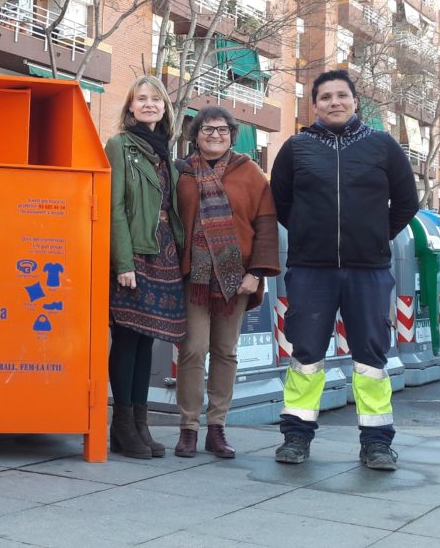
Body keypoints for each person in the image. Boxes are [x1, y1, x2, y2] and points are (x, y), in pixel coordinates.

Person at [270, 69, 418, 470]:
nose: (334, 102)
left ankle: (377, 443)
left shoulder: (382, 146)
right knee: (306, 354)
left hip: (368, 270)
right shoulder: (297, 147)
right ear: (314, 104)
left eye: (341, 95)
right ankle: (296, 438)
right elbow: (280, 203)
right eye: (325, 97)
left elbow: (407, 202)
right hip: (310, 270)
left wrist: (373, 236)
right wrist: (306, 234)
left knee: (371, 357)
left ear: (355, 101)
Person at [174, 106, 280, 458]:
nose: (214, 134)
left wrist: (257, 273)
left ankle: (217, 427)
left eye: (221, 129)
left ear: (232, 134)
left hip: (237, 279)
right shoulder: (182, 174)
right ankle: (188, 427)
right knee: (192, 350)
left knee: (225, 352)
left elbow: (265, 225)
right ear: (196, 134)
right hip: (193, 279)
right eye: (207, 129)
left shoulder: (249, 173)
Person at [105, 75, 185, 459]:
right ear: (131, 107)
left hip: (164, 255)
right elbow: (114, 207)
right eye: (141, 99)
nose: (149, 104)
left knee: (146, 340)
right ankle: (121, 427)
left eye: (156, 99)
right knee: (126, 340)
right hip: (134, 255)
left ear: (165, 108)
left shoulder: (166, 152)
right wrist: (122, 262)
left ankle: (140, 424)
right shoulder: (120, 145)